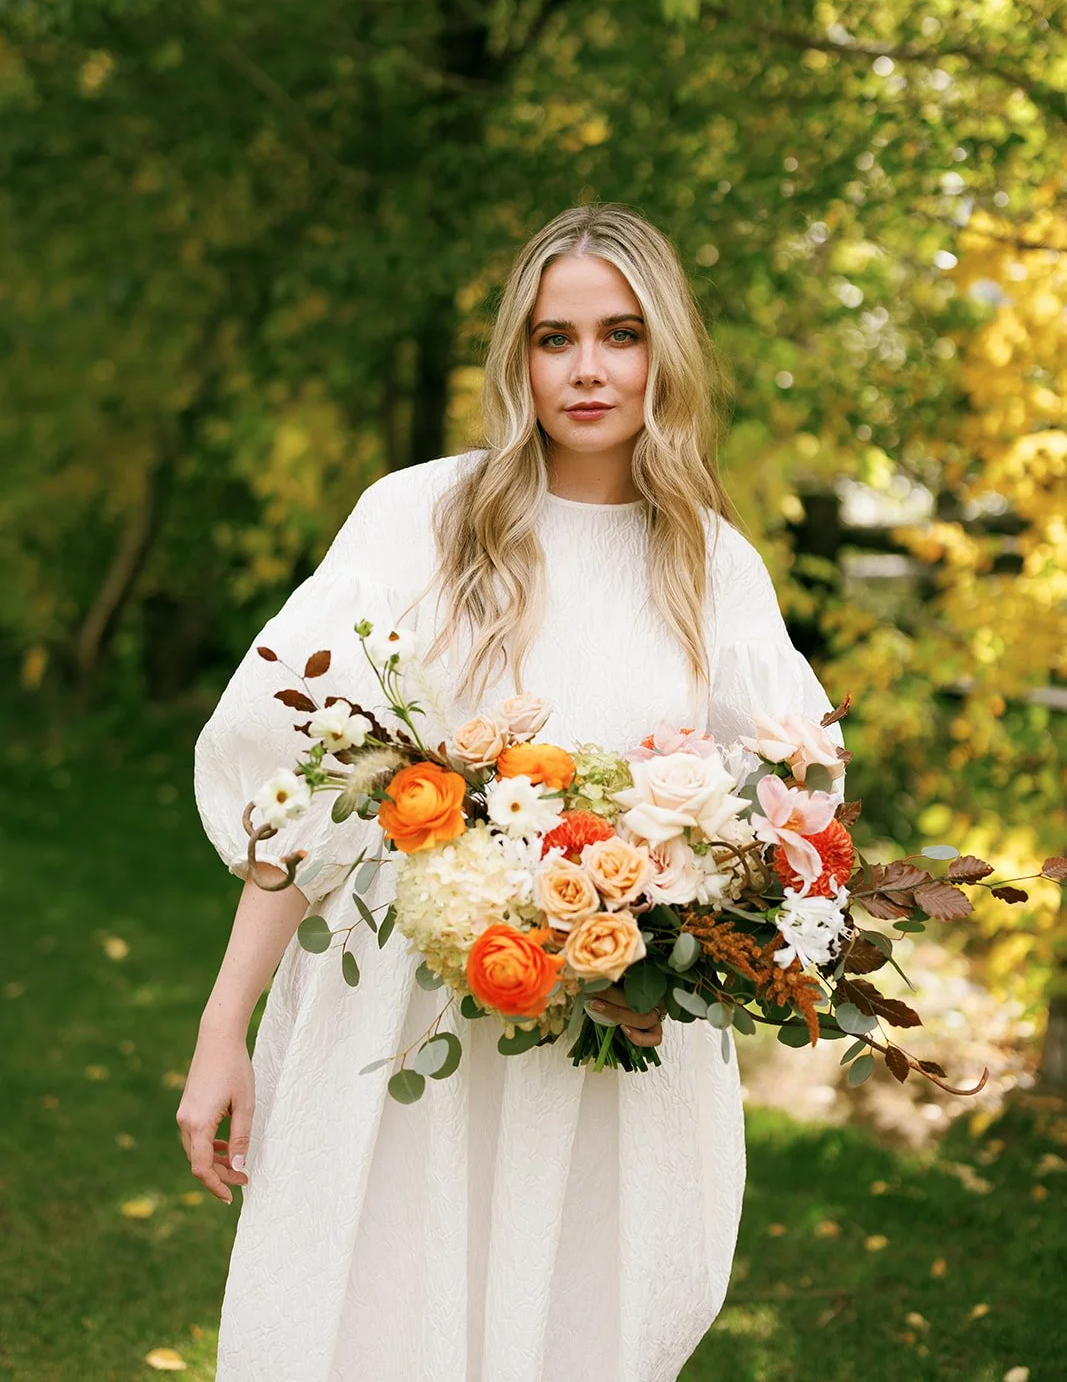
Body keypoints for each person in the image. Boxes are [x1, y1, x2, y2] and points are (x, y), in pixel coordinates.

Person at [180, 201, 844, 1382]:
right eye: (554, 338)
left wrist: (681, 943)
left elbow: (783, 815)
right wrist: (221, 1025)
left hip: (604, 1047)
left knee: (571, 1324)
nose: (586, 369)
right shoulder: (424, 518)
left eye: (620, 334)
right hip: (400, 1013)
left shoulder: (707, 563)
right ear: (517, 357)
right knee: (368, 1314)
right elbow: (306, 783)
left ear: (666, 351)